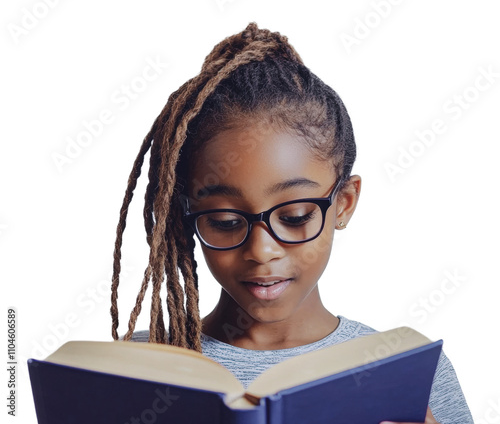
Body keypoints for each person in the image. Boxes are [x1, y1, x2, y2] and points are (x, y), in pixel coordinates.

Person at [109, 22, 474, 424]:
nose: (262, 251)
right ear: (186, 218)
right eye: (226, 221)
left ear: (344, 204)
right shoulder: (134, 368)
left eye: (295, 216)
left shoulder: (411, 372)